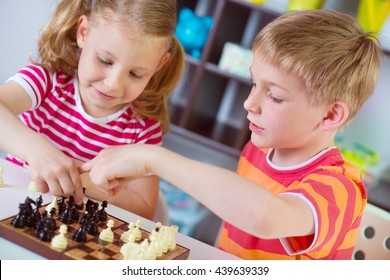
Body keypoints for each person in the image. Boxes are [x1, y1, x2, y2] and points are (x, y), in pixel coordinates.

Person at [81, 9, 382, 260]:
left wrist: (152, 158)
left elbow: (265, 217)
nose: (249, 103)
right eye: (254, 84)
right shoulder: (259, 150)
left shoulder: (340, 188)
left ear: (330, 115)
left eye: (274, 96)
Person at [0, 0, 185, 219]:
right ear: (83, 32)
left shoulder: (142, 129)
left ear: (159, 65)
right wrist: (36, 150)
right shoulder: (47, 81)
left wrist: (88, 182)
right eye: (105, 60)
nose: (113, 84)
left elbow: (144, 207)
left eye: (135, 74)